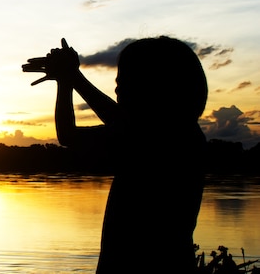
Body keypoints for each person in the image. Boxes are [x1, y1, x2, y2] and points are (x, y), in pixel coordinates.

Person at [23, 36, 208, 274]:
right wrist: (68, 80)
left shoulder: (169, 138)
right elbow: (87, 130)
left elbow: (85, 132)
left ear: (159, 86)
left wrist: (71, 79)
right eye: (118, 81)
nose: (118, 88)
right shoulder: (167, 134)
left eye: (127, 82)